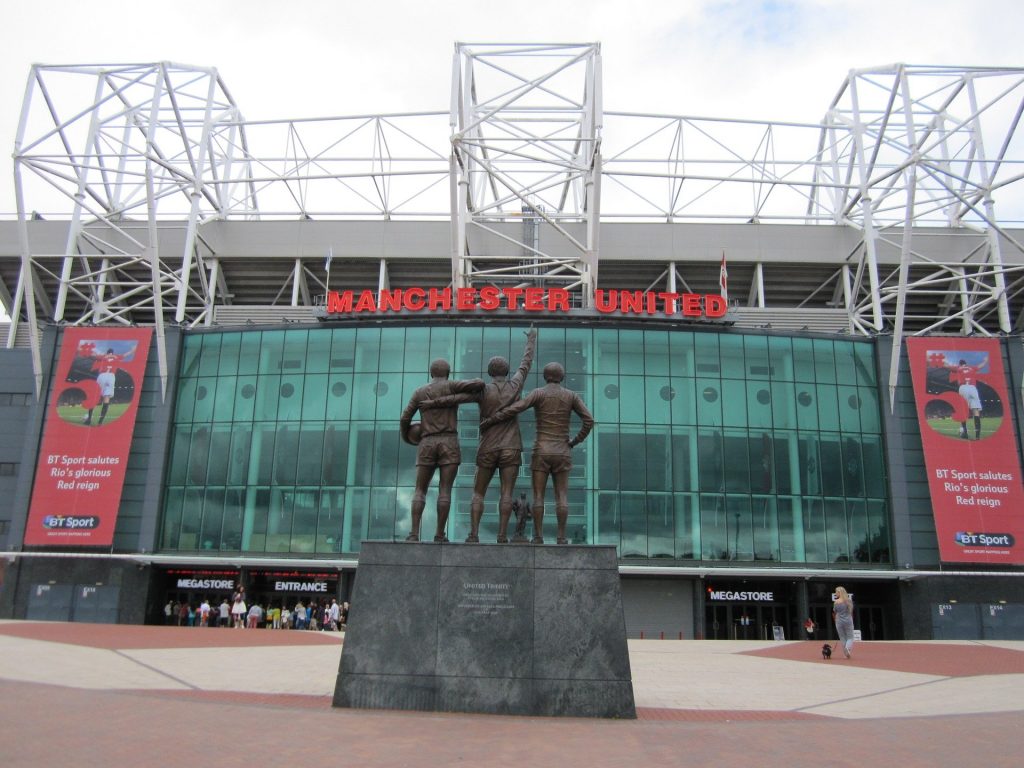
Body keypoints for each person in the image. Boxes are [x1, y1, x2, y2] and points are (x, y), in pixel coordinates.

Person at [420, 328, 537, 542]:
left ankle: (473, 534)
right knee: (507, 493)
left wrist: (432, 403)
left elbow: (456, 398)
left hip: (487, 447)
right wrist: (531, 339)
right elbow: (526, 363)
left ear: (490, 372)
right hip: (511, 446)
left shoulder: (483, 390)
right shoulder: (515, 385)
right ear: (507, 370)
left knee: (478, 492)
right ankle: (502, 536)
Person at [480, 362, 594, 544]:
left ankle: (538, 537)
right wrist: (574, 441)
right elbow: (589, 421)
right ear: (562, 376)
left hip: (541, 450)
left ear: (545, 376)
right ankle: (561, 537)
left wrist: (492, 419)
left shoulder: (538, 393)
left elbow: (516, 408)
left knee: (538, 496)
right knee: (562, 496)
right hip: (562, 450)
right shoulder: (571, 396)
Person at [399, 360, 484, 542]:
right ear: (448, 372)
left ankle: (414, 534)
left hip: (427, 442)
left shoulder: (420, 392)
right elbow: (479, 384)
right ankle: (439, 534)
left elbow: (405, 417)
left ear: (431, 373)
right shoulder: (452, 386)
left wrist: (407, 437)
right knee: (445, 490)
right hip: (449, 441)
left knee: (419, 490)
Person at [946, 354, 988, 439]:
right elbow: (981, 365)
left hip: (963, 387)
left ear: (960, 364)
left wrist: (940, 360)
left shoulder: (958, 368)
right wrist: (985, 360)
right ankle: (977, 437)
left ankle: (965, 433)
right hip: (973, 388)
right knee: (976, 411)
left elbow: (947, 366)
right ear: (966, 364)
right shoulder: (972, 368)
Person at [833, 586, 855, 658]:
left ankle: (846, 654)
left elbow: (835, 611)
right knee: (850, 637)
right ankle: (847, 648)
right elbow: (851, 611)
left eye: (836, 592)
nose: (836, 593)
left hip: (839, 621)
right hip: (848, 620)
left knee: (842, 637)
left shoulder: (836, 602)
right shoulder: (848, 601)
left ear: (840, 592)